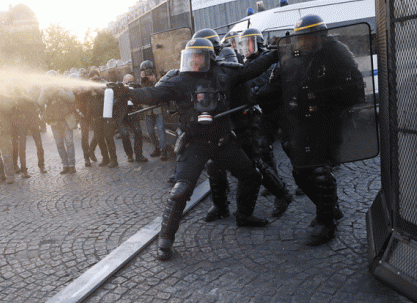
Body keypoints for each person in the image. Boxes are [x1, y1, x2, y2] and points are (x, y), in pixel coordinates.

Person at [113, 37, 279, 261]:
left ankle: (244, 215)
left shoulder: (225, 73)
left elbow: (251, 69)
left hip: (223, 141)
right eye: (192, 57)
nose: (196, 61)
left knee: (251, 176)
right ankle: (165, 240)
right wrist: (127, 91)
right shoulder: (180, 81)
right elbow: (153, 94)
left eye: (200, 56)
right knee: (180, 191)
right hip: (195, 145)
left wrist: (275, 54)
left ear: (209, 57)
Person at [252, 14, 360, 245]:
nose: (302, 43)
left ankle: (326, 221)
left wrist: (322, 96)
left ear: (320, 36)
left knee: (320, 171)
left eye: (307, 38)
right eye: (300, 39)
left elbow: (355, 87)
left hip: (328, 120)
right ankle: (330, 208)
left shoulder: (337, 52)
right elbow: (276, 86)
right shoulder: (294, 57)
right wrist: (252, 97)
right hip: (302, 121)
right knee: (300, 173)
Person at [204, 27, 293, 223]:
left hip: (243, 121)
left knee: (256, 162)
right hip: (227, 123)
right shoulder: (203, 72)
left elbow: (250, 73)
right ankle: (220, 206)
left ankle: (281, 194)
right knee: (215, 164)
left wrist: (273, 56)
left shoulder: (226, 58)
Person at [38, 70, 77, 174]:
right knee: (59, 144)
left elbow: (72, 98)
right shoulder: (46, 89)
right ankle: (65, 165)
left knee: (69, 143)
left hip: (66, 119)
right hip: (54, 121)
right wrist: (45, 91)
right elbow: (40, 102)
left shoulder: (64, 86)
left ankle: (72, 165)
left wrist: (61, 92)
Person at [139, 60, 168, 161]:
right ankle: (157, 148)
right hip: (147, 109)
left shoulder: (157, 78)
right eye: (144, 71)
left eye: (149, 70)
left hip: (157, 109)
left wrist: (154, 80)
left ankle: (164, 150)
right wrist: (143, 79)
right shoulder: (142, 81)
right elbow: (141, 91)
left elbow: (159, 89)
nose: (147, 72)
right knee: (150, 132)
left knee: (160, 129)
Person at [120, 74, 147, 162]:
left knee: (138, 132)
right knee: (125, 135)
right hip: (122, 116)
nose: (130, 84)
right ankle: (129, 155)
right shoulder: (119, 88)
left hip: (133, 113)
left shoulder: (135, 87)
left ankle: (139, 155)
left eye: (132, 81)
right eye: (129, 82)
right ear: (124, 81)